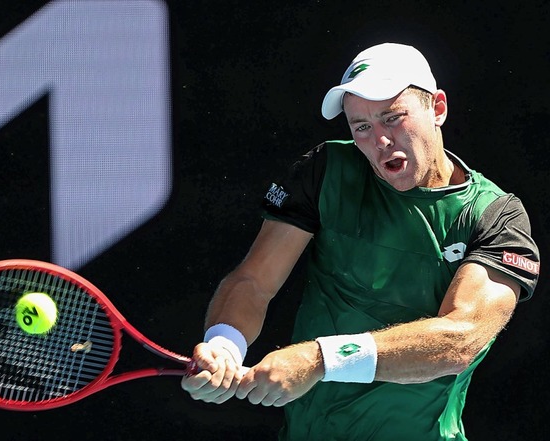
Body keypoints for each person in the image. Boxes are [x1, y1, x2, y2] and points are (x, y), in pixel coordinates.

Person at [181, 42, 540, 440]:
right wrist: (225, 345)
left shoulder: (497, 216)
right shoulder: (325, 171)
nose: (380, 140)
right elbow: (254, 281)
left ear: (437, 108)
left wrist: (319, 359)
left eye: (393, 118)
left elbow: (460, 339)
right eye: (362, 127)